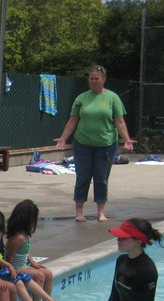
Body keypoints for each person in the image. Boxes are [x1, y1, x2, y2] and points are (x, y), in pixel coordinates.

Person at [53, 66, 135, 223]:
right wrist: (63, 138)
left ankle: (101, 212)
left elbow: (119, 121)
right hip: (83, 143)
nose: (93, 81)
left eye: (96, 78)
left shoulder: (112, 98)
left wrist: (126, 139)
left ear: (103, 79)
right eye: (91, 78)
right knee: (83, 177)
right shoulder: (81, 98)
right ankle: (79, 211)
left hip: (106, 145)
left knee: (101, 178)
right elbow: (73, 120)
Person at [101, 219, 161, 301]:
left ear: (138, 241)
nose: (118, 240)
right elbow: (115, 296)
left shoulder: (148, 270)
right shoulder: (121, 261)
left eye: (123, 237)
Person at [5, 199, 55, 299]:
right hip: (15, 267)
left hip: (23, 265)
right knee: (40, 276)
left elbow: (25, 253)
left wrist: (32, 263)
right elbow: (9, 257)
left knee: (48, 274)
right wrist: (11, 272)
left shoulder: (24, 235)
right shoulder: (19, 238)